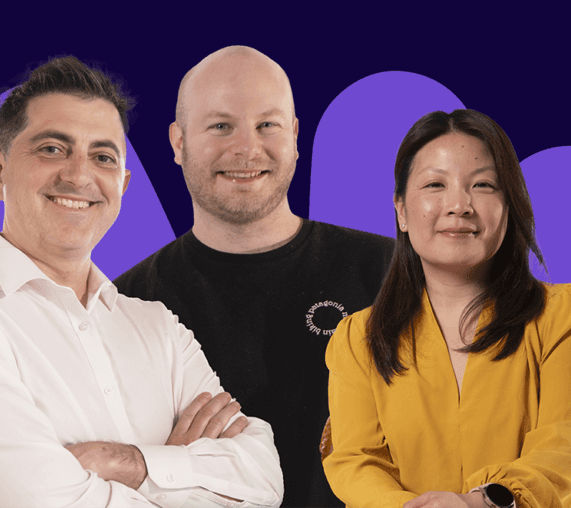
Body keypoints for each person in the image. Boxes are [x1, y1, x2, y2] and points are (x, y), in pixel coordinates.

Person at [0, 56, 282, 507]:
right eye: (52, 149)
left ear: (122, 184)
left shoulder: (158, 328)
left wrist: (124, 463)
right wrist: (178, 471)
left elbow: (263, 482)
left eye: (102, 156)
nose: (79, 175)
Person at [114, 46, 394, 507]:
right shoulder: (126, 305)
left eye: (268, 125)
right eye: (221, 125)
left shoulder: (389, 271)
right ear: (178, 142)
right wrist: (159, 469)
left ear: (295, 136)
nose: (247, 148)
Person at [323, 109, 571, 508]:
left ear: (509, 207)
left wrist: (483, 502)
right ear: (402, 211)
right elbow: (354, 461)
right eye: (435, 185)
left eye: (483, 185)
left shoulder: (566, 316)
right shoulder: (359, 340)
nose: (459, 205)